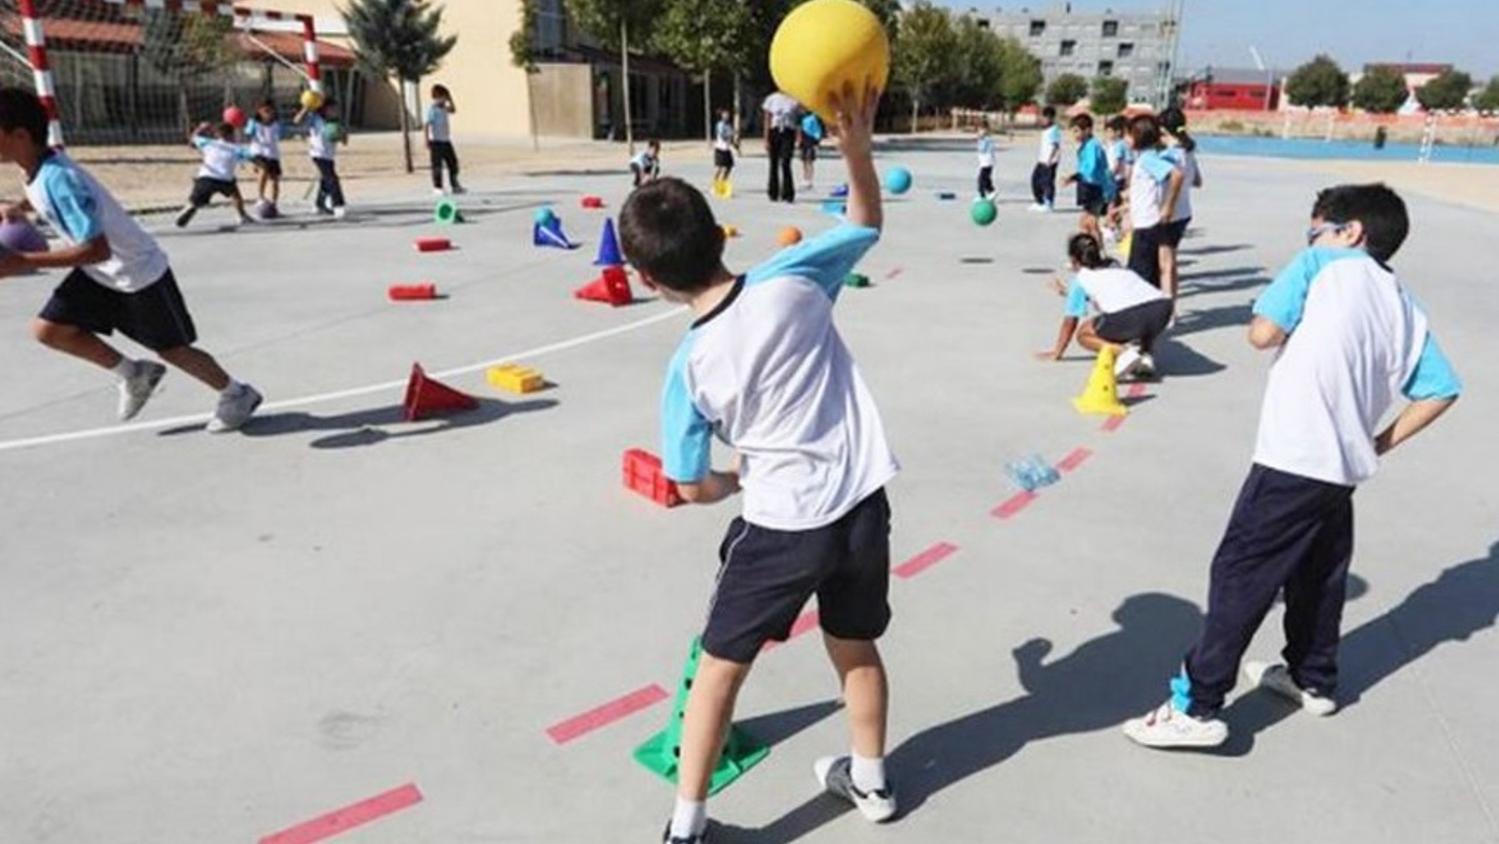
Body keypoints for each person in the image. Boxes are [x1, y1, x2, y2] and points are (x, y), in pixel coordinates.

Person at [618, 82, 897, 842]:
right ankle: (869, 779)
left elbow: (688, 485)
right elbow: (865, 221)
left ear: (649, 281)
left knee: (718, 672)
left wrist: (735, 477)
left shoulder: (688, 368)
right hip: (861, 505)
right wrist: (856, 154)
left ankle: (685, 827)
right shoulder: (795, 279)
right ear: (719, 231)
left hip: (779, 526)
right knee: (854, 643)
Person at [1122, 183, 1462, 749]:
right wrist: (1377, 442)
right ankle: (1312, 676)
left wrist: (1286, 306)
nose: (1310, 240)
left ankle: (1197, 703)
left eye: (1316, 230)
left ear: (1349, 232)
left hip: (1294, 457)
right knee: (1318, 576)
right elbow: (1441, 390)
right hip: (1341, 467)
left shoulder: (1319, 264)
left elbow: (1262, 334)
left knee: (1240, 573)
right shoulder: (1401, 301)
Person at [0, 87, 262, 431]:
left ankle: (237, 393)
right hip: (99, 274)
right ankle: (134, 373)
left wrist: (24, 261)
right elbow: (43, 198)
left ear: (20, 135)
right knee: (48, 330)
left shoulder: (59, 179)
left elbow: (97, 248)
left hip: (137, 274)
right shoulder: (35, 169)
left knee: (173, 350)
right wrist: (19, 208)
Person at [1036, 232, 1171, 379]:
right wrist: (1067, 293)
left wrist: (1057, 352)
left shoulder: (1081, 279)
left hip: (1130, 316)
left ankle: (1124, 353)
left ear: (1074, 260)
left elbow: (1071, 319)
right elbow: (1120, 293)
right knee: (1142, 318)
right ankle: (1146, 355)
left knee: (1083, 333)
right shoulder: (1114, 264)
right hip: (1162, 308)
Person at [1123, 114, 1184, 288]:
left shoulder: (1148, 159)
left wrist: (1168, 207)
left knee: (1140, 276)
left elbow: (1177, 175)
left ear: (1139, 136)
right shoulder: (1147, 157)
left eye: (1128, 135)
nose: (1126, 139)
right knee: (1146, 274)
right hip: (1143, 223)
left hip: (1148, 225)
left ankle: (1147, 312)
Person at [1157, 107, 1202, 303]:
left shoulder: (1169, 154)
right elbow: (1198, 181)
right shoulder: (1188, 151)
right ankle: (1171, 302)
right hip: (1184, 211)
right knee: (1172, 260)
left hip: (1170, 212)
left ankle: (1167, 306)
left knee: (1165, 262)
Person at [175, 121, 254, 228]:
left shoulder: (208, 143)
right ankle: (242, 216)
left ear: (218, 135)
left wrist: (200, 128)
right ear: (231, 135)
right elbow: (252, 156)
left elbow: (192, 140)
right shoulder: (236, 148)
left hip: (206, 177)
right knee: (236, 195)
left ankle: (191, 206)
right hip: (225, 179)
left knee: (196, 200)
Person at [1063, 114, 1116, 240]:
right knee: (1086, 223)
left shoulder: (1093, 146)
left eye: (1076, 131)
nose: (1074, 135)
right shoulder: (1086, 145)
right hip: (1088, 186)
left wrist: (1073, 177)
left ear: (1087, 130)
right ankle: (1089, 253)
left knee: (1090, 223)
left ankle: (1098, 253)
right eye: (1072, 131)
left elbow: (1090, 170)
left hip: (1096, 188)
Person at [294, 95, 347, 219]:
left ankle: (319, 204)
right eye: (332, 109)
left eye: (336, 110)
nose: (335, 112)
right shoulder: (315, 118)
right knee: (332, 179)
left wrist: (341, 135)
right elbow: (297, 121)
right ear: (324, 109)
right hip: (317, 154)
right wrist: (306, 108)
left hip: (329, 156)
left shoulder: (336, 122)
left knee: (325, 180)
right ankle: (338, 205)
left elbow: (344, 140)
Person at [762, 89, 802, 203]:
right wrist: (766, 139)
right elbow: (767, 119)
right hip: (774, 132)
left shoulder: (794, 100)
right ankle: (773, 192)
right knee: (773, 163)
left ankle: (788, 193)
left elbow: (798, 120)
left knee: (785, 162)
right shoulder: (771, 98)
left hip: (788, 132)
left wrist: (799, 137)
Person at [245, 99, 284, 216]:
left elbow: (280, 136)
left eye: (270, 111)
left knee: (275, 180)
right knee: (263, 170)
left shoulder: (277, 124)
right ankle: (260, 197)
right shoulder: (254, 123)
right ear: (259, 111)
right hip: (258, 152)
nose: (268, 113)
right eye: (265, 111)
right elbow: (247, 135)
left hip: (272, 154)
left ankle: (274, 203)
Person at [426, 83, 463, 195]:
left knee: (453, 163)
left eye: (446, 97)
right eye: (443, 96)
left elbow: (453, 110)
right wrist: (426, 139)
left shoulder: (444, 109)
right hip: (436, 141)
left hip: (446, 140)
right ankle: (437, 187)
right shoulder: (432, 109)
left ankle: (454, 185)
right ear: (437, 96)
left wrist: (450, 99)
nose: (444, 99)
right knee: (437, 165)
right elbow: (426, 125)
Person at [1028, 105, 1062, 212]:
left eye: (1045, 117)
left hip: (1050, 161)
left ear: (1051, 118)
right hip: (1042, 160)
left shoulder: (1054, 130)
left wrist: (1050, 160)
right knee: (1035, 180)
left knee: (1047, 182)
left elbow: (1055, 146)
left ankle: (1048, 203)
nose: (1043, 119)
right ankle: (1039, 201)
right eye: (1043, 117)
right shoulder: (1045, 130)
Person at [711, 108, 738, 186]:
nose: (727, 116)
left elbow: (731, 138)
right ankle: (715, 184)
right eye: (725, 114)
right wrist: (731, 135)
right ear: (722, 116)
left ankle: (723, 183)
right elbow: (723, 135)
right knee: (719, 168)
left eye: (728, 114)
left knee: (728, 168)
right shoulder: (720, 124)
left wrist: (735, 145)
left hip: (726, 149)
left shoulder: (729, 125)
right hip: (720, 148)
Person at [799, 111, 823, 191]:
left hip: (811, 140)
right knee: (804, 160)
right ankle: (805, 177)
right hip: (804, 140)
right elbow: (800, 129)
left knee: (809, 160)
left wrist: (817, 141)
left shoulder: (814, 118)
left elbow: (817, 130)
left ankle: (810, 179)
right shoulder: (802, 118)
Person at [976, 123, 997, 199]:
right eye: (978, 130)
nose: (979, 132)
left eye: (981, 130)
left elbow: (982, 149)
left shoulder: (987, 140)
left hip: (987, 163)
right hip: (984, 163)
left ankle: (982, 195)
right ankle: (991, 191)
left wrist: (980, 139)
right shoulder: (983, 139)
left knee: (981, 179)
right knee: (986, 179)